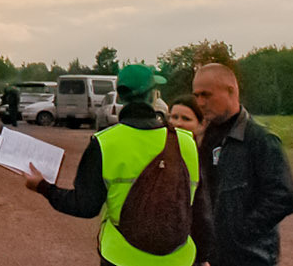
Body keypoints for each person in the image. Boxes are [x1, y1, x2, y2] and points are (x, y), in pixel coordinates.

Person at [25, 63, 207, 265]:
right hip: (180, 259)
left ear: (119, 97)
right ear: (154, 96)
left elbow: (85, 206)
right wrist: (205, 257)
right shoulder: (186, 142)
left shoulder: (104, 143)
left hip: (120, 257)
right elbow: (201, 208)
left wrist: (43, 187)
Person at [192, 63, 293, 266]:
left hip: (251, 257)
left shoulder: (259, 139)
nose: (200, 102)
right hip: (214, 256)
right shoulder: (204, 138)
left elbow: (285, 196)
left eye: (206, 95)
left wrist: (242, 230)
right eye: (196, 95)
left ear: (230, 91)